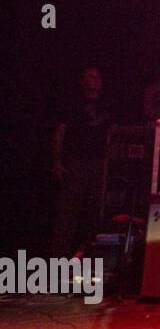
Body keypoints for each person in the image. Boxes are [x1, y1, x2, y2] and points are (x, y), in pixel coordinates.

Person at [50, 66, 112, 257]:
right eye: (90, 76)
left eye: (97, 76)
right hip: (76, 164)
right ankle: (57, 258)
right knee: (68, 214)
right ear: (82, 81)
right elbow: (60, 134)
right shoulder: (72, 104)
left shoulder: (108, 105)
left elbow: (114, 133)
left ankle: (88, 255)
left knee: (96, 213)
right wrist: (57, 162)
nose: (95, 80)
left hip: (100, 165)